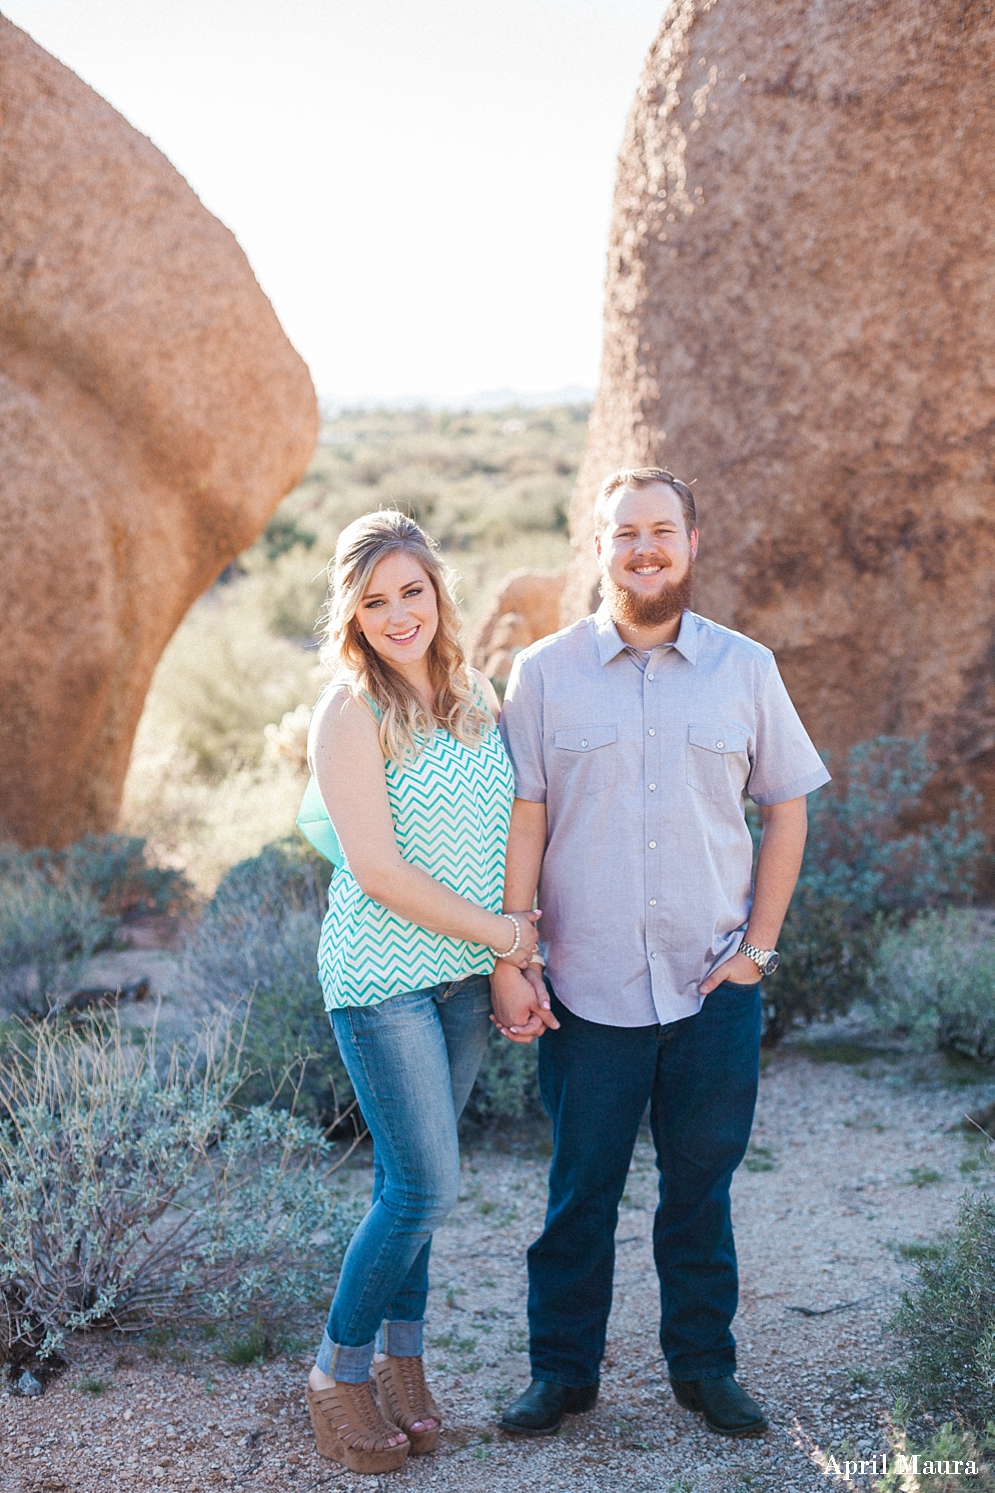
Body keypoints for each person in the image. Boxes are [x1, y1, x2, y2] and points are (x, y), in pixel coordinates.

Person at [492, 468, 831, 1440]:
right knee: (576, 1197)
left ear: (690, 542)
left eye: (661, 530)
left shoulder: (744, 667)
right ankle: (560, 1372)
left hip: (709, 987)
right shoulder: (545, 673)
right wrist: (513, 951)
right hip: (586, 988)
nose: (643, 548)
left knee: (698, 1193)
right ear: (597, 549)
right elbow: (525, 816)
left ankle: (703, 1367)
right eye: (624, 533)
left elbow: (787, 805)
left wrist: (756, 951)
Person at [304, 510, 540, 1476]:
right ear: (352, 617)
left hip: (457, 977)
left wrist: (498, 959)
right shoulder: (346, 711)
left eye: (412, 590)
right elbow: (378, 870)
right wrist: (508, 942)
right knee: (425, 1185)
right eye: (375, 600)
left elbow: (498, 839)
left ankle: (405, 1372)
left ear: (437, 590)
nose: (399, 613)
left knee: (417, 1188)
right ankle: (334, 1374)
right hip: (380, 979)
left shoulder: (473, 693)